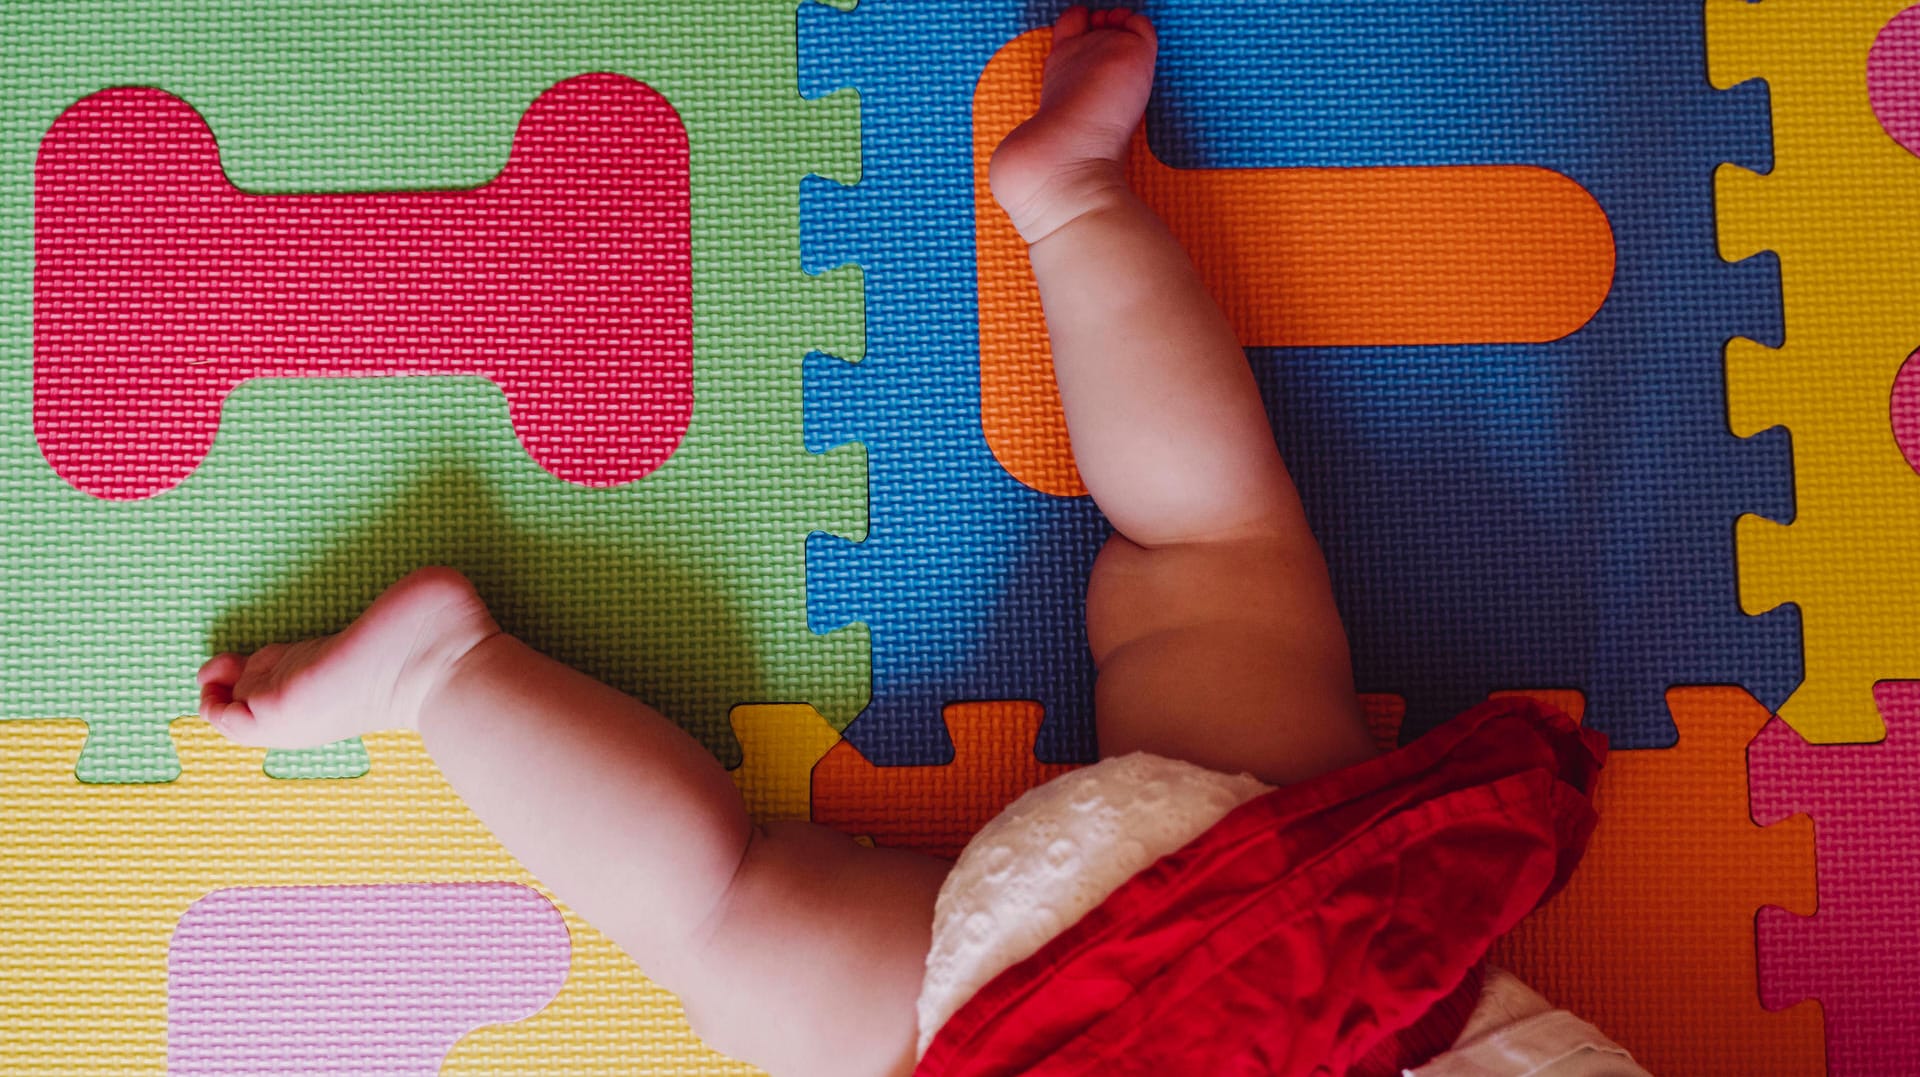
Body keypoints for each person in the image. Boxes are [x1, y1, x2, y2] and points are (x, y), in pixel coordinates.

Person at [198, 7, 1651, 1074]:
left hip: (1272, 922)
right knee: (721, 906)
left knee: (1207, 544)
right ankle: (444, 678)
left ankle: (1073, 198)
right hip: (1036, 1038)